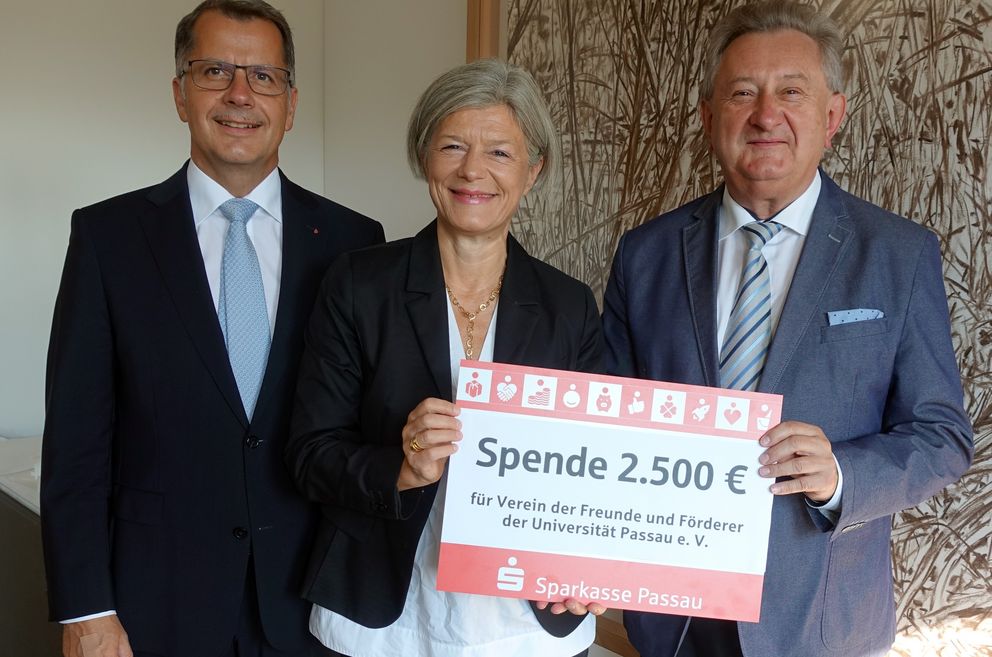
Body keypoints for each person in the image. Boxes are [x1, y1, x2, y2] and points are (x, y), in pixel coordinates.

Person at [601, 2, 973, 656]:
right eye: (742, 93)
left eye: (791, 92)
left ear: (832, 116)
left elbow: (941, 436)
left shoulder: (897, 253)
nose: (765, 114)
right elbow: (604, 420)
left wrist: (841, 474)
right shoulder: (646, 253)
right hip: (670, 618)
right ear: (708, 118)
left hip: (820, 622)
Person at [40, 1, 384, 655]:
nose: (239, 94)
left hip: (313, 607)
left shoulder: (354, 243)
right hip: (153, 609)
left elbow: (365, 431)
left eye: (263, 76)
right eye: (214, 70)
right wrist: (86, 608)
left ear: (290, 101)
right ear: (179, 92)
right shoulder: (108, 238)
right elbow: (77, 446)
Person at [286, 59, 603, 657]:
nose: (472, 170)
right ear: (424, 157)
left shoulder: (570, 307)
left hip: (525, 625)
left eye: (500, 153)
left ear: (533, 171)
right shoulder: (359, 284)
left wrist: (594, 563)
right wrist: (399, 468)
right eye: (452, 145)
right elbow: (310, 453)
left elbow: (598, 472)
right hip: (384, 618)